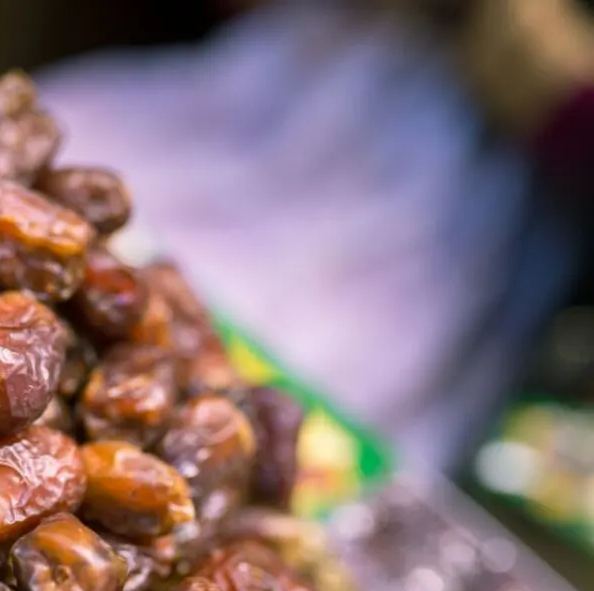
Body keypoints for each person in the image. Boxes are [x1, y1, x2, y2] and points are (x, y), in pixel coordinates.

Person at [35, 0, 593, 472]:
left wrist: (566, 99)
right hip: (283, 88)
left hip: (464, 224)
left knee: (275, 416)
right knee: (50, 162)